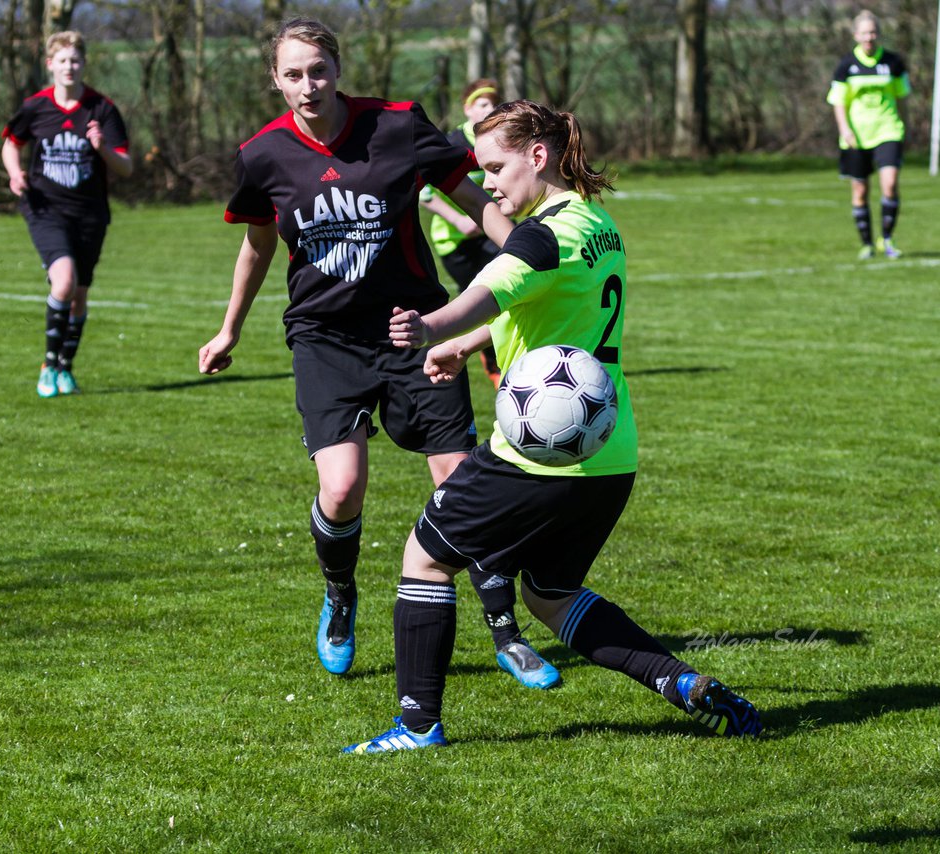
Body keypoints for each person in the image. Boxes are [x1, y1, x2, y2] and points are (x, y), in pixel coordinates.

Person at [344, 100, 763, 753]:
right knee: (551, 593)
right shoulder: (596, 223)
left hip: (536, 454)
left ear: (537, 157)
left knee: (425, 560)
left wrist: (433, 327)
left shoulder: (537, 236)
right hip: (608, 450)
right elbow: (541, 304)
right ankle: (680, 682)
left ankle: (417, 724)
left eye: (495, 167)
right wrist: (469, 344)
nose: (486, 183)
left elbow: (493, 288)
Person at [198, 18, 560, 689]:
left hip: (415, 328)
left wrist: (524, 258)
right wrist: (230, 330)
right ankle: (340, 595)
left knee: (458, 484)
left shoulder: (397, 125)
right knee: (340, 488)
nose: (309, 85)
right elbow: (256, 245)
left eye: (319, 70)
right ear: (275, 80)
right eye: (293, 74)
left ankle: (506, 631)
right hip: (325, 339)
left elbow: (471, 198)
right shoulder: (262, 155)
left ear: (338, 68)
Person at [2, 30, 133, 397]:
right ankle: (48, 366)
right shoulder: (36, 107)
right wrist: (15, 173)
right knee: (63, 281)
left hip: (90, 213)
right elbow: (11, 143)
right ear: (50, 66)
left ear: (83, 63)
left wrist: (103, 148)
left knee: (79, 295)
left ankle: (65, 368)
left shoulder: (102, 109)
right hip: (45, 208)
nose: (69, 67)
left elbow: (125, 167)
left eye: (75, 60)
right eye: (62, 61)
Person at [419, 78, 504, 387]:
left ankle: (502, 366)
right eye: (483, 104)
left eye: (494, 103)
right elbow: (425, 194)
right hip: (454, 243)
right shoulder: (451, 144)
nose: (490, 109)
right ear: (467, 109)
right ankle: (489, 359)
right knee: (480, 305)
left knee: (501, 296)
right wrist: (458, 220)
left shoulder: (500, 141)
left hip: (488, 237)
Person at [827, 10, 911, 261]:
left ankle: (886, 239)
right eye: (864, 33)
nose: (869, 37)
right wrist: (844, 128)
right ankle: (866, 243)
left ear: (879, 34)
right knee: (860, 191)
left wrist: (905, 127)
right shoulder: (846, 66)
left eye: (873, 32)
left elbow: (902, 98)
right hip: (857, 135)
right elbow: (839, 102)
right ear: (855, 35)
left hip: (888, 130)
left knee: (890, 183)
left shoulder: (894, 63)